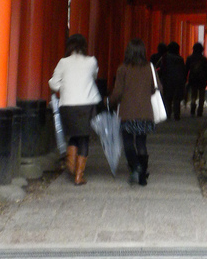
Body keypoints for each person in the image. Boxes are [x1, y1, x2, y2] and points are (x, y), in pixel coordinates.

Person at [48, 34, 101, 186]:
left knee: (73, 135)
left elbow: (53, 83)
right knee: (84, 138)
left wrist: (63, 87)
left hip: (68, 105)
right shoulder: (91, 61)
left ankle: (71, 165)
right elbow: (94, 76)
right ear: (84, 46)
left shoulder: (63, 62)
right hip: (87, 104)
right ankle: (79, 176)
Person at [109, 38, 158, 186]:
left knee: (128, 142)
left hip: (127, 112)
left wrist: (110, 103)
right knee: (141, 142)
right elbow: (156, 88)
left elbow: (117, 93)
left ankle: (135, 166)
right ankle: (142, 176)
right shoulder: (150, 67)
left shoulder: (123, 69)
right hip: (145, 112)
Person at [160, 40, 187, 120]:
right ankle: (176, 114)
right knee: (176, 98)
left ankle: (168, 113)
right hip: (178, 80)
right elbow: (183, 70)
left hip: (168, 79)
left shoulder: (165, 57)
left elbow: (162, 68)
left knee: (168, 98)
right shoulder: (180, 59)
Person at [184, 42, 207, 117]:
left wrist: (185, 78)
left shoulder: (190, 58)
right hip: (202, 78)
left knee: (193, 94)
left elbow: (186, 69)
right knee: (201, 95)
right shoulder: (203, 59)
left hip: (193, 78)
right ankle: (200, 111)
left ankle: (193, 108)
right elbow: (206, 70)